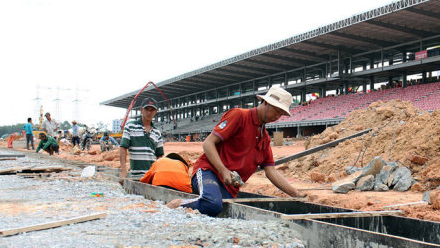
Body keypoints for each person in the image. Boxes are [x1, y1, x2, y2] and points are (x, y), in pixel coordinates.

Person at [168, 86, 303, 216]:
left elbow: (271, 171)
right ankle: (176, 205)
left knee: (220, 209)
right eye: (277, 110)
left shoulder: (264, 138)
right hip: (209, 172)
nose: (277, 116)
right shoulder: (239, 116)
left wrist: (296, 194)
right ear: (266, 103)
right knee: (212, 204)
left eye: (281, 113)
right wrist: (223, 170)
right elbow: (208, 143)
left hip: (229, 186)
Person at [119, 97, 164, 181]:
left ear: (155, 112)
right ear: (141, 110)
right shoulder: (130, 126)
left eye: (152, 110)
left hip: (151, 177)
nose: (149, 112)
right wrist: (123, 170)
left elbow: (159, 156)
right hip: (136, 176)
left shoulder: (157, 132)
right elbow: (123, 147)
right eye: (147, 109)